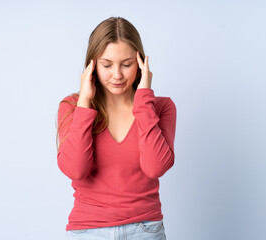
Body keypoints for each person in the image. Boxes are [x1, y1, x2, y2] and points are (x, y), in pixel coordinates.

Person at [56, 16, 177, 240]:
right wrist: (84, 103)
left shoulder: (161, 107)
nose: (118, 75)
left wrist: (143, 100)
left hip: (145, 229)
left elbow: (155, 167)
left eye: (127, 64)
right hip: (88, 231)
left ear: (141, 63)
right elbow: (75, 170)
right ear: (92, 65)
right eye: (107, 65)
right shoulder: (72, 107)